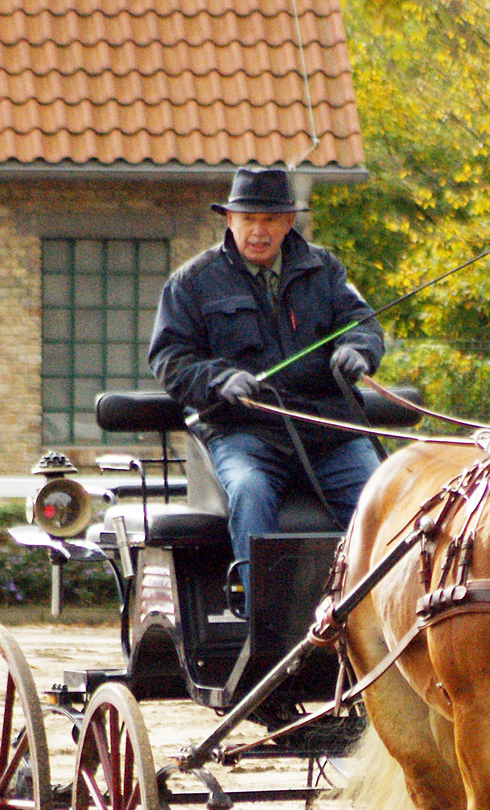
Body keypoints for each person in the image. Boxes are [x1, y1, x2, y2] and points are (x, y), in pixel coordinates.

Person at [147, 165, 385, 602]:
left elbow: (362, 323)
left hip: (327, 432)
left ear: (289, 222)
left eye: (270, 219)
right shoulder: (191, 283)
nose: (259, 230)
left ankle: (378, 608)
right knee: (249, 490)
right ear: (229, 220)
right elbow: (170, 358)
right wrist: (219, 378)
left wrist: (359, 349)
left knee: (383, 500)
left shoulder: (325, 270)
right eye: (249, 219)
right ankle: (262, 613)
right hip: (244, 434)